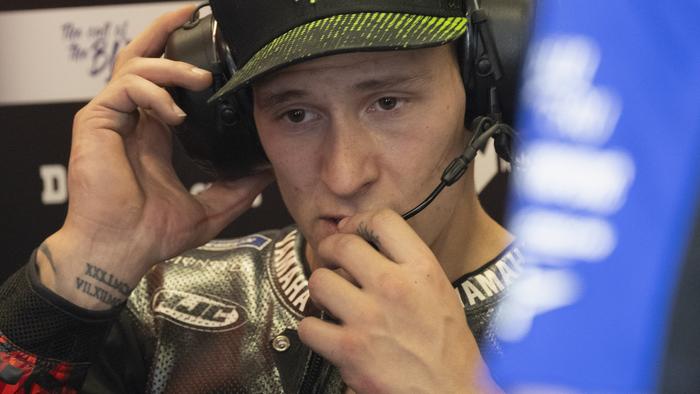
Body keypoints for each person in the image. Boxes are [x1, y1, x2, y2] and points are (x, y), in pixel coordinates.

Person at [0, 1, 525, 392]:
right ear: (239, 128)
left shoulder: (595, 325)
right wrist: (89, 261)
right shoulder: (160, 312)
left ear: (480, 91)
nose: (343, 175)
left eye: (387, 102)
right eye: (295, 114)